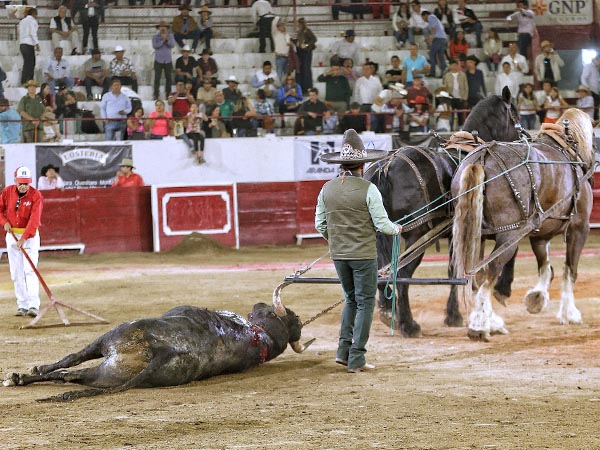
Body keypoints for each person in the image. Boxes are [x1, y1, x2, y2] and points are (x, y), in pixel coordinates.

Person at [315, 129, 401, 373]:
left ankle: (343, 352)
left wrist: (337, 239)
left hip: (339, 256)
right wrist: (397, 229)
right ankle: (357, 358)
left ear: (342, 165)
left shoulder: (326, 189)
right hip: (363, 256)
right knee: (365, 303)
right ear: (362, 166)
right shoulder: (369, 189)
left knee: (350, 300)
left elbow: (320, 224)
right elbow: (383, 224)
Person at [0, 166, 43, 317]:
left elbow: (35, 220)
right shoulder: (7, 192)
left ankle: (33, 305)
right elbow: (0, 210)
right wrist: (4, 221)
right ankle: (22, 305)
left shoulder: (36, 195)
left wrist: (24, 238)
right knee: (16, 272)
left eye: (26, 183)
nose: (24, 186)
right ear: (15, 181)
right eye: (21, 183)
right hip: (12, 237)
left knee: (30, 270)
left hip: (29, 238)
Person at [354, 62, 383, 132]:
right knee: (362, 120)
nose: (366, 70)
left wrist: (379, 103)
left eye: (368, 69)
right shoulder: (359, 81)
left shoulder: (376, 80)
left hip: (373, 104)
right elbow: (356, 94)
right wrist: (356, 105)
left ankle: (374, 133)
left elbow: (380, 92)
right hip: (362, 105)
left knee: (373, 120)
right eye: (364, 69)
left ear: (371, 70)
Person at [152, 20, 176, 101]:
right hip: (158, 60)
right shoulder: (155, 37)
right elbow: (155, 46)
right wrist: (163, 40)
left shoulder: (171, 36)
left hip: (168, 60)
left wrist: (167, 40)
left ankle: (168, 94)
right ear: (159, 28)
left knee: (169, 79)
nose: (163, 28)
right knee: (157, 78)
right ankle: (156, 94)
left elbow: (172, 45)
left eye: (164, 27)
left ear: (166, 28)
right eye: (161, 27)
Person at [421, 9, 447, 79]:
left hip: (438, 39)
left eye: (423, 18)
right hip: (443, 38)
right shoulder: (434, 18)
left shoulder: (431, 17)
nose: (423, 20)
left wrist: (431, 38)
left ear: (425, 15)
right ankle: (444, 72)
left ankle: (432, 72)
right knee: (440, 56)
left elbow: (433, 28)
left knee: (432, 54)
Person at [19, 8, 39, 85]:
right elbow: (33, 33)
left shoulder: (22, 21)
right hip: (29, 44)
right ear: (34, 14)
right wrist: (37, 44)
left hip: (22, 44)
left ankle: (24, 81)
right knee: (31, 63)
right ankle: (30, 80)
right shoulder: (32, 21)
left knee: (26, 63)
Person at [295, 17, 317, 90]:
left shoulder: (307, 31)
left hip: (306, 52)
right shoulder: (299, 32)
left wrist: (307, 45)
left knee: (306, 69)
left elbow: (314, 39)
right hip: (300, 52)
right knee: (301, 69)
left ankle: (308, 86)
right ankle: (302, 87)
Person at [272, 18, 292, 85]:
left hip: (287, 57)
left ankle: (287, 87)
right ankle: (280, 89)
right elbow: (273, 25)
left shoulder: (287, 35)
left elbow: (288, 44)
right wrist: (277, 18)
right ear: (278, 27)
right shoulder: (276, 34)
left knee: (287, 74)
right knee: (279, 75)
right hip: (279, 56)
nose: (284, 27)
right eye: (282, 26)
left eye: (284, 25)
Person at [580, 54, 600, 121]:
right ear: (595, 60)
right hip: (591, 91)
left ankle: (595, 121)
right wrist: (587, 89)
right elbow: (583, 78)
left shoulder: (596, 69)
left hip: (596, 91)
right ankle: (593, 122)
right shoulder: (588, 66)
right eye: (599, 61)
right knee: (592, 108)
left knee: (596, 108)